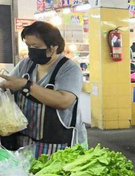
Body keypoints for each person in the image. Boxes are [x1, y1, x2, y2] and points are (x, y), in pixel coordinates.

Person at [0, 21, 86, 157]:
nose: (31, 50)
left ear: (53, 47)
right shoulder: (26, 64)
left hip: (59, 148)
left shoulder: (69, 69)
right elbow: (8, 84)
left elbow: (64, 101)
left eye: (36, 46)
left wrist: (27, 85)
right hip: (26, 144)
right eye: (28, 46)